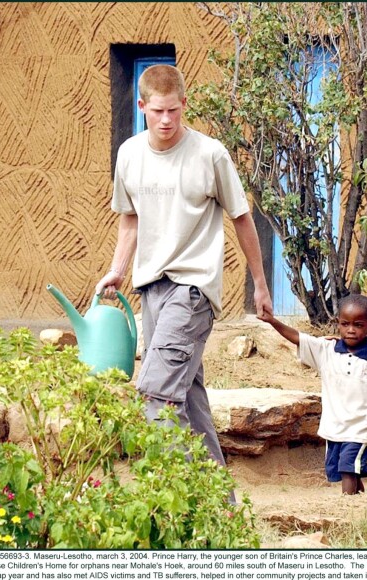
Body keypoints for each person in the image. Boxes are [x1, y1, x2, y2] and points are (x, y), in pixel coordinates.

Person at [95, 64, 273, 469]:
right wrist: (118, 268)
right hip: (150, 289)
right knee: (188, 400)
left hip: (192, 290)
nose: (166, 120)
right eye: (157, 111)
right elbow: (130, 218)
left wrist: (260, 285)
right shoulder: (130, 154)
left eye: (174, 111)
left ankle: (186, 506)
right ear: (141, 105)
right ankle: (221, 511)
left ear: (184, 104)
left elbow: (242, 218)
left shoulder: (210, 154)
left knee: (156, 395)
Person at [258, 294, 367, 494]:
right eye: (345, 324)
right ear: (337, 323)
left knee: (348, 467)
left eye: (358, 325)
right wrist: (272, 321)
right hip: (334, 427)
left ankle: (346, 506)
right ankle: (360, 500)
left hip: (361, 427)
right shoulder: (326, 349)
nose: (351, 330)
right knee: (347, 470)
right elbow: (298, 338)